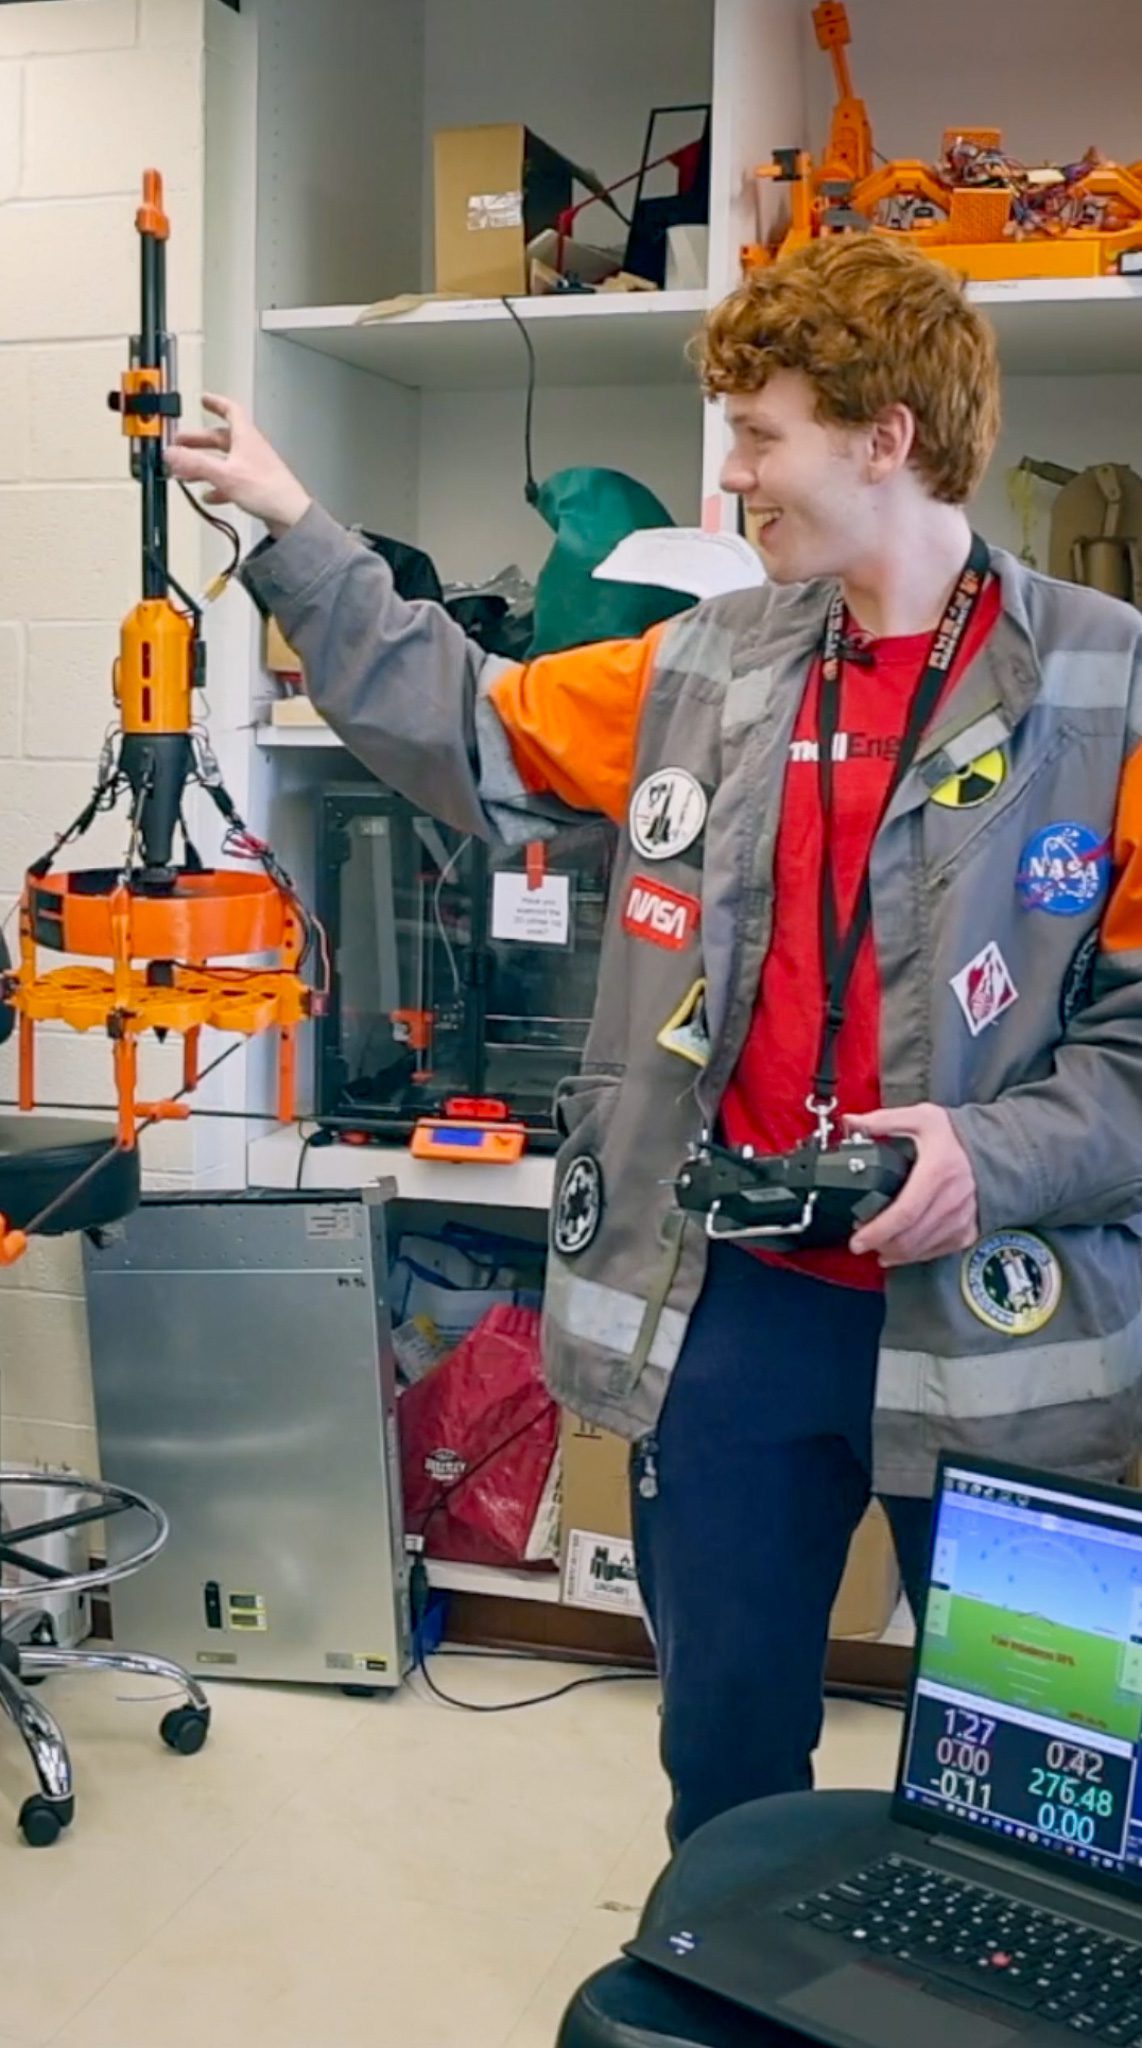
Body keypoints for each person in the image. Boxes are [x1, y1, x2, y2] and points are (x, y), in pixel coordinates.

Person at [168, 235, 1142, 1847]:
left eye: (758, 433)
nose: (733, 470)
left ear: (881, 435)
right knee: (725, 1760)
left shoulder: (1108, 683)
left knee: (1040, 1789)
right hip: (738, 1317)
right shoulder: (710, 663)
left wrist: (994, 1152)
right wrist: (292, 526)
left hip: (1004, 1323)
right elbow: (466, 719)